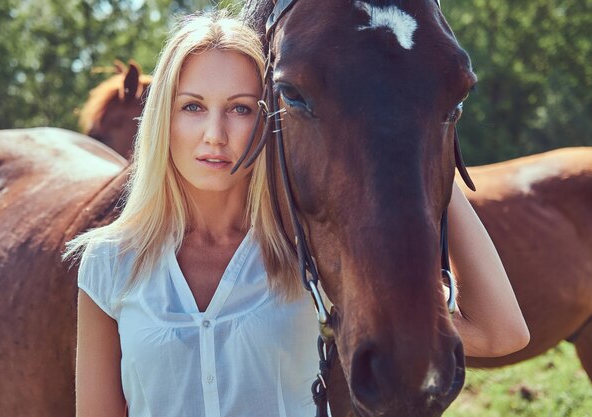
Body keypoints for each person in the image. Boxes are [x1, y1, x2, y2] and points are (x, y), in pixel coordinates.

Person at [65, 11, 529, 417]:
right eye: (192, 107)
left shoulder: (304, 261)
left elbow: (500, 332)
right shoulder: (109, 263)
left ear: (273, 119)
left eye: (241, 109)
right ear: (162, 117)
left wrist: (422, 134)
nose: (214, 134)